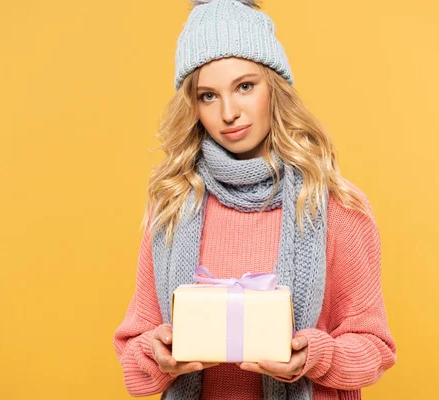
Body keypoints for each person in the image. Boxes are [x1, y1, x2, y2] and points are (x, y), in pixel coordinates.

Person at [112, 0, 397, 399]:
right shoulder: (174, 203)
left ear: (274, 88)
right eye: (208, 95)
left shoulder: (333, 206)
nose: (229, 112)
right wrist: (155, 353)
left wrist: (314, 356)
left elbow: (375, 348)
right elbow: (134, 345)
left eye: (245, 86)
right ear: (192, 105)